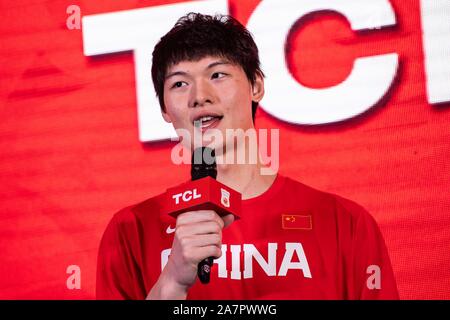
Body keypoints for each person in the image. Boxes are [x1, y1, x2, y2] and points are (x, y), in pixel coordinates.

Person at [96, 12, 399, 300]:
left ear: (256, 85)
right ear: (164, 109)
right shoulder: (131, 231)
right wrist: (172, 281)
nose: (199, 96)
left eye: (217, 75)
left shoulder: (344, 223)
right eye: (179, 83)